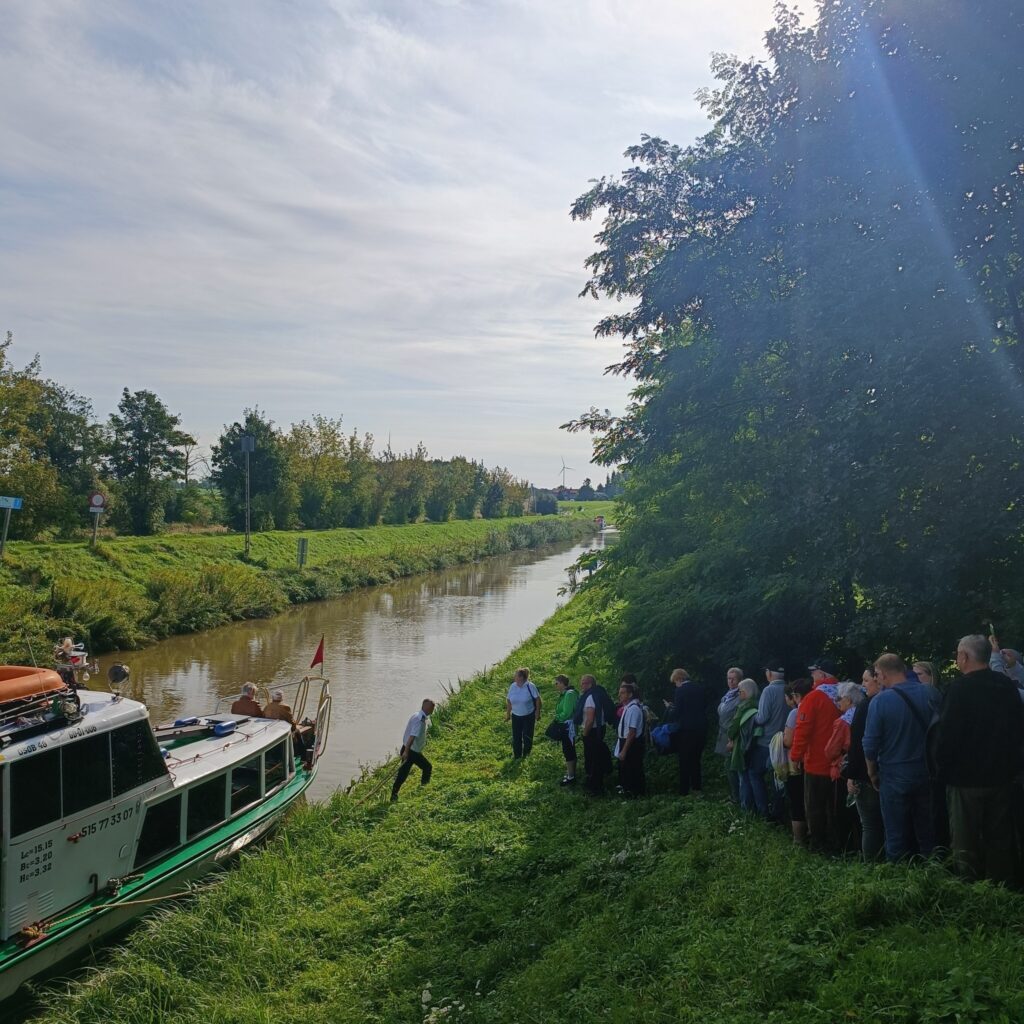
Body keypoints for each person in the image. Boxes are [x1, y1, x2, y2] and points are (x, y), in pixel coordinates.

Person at [934, 634, 1024, 884]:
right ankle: (1002, 888)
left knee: (965, 842)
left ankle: (969, 891)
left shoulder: (958, 689)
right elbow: (1017, 729)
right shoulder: (1006, 686)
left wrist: (943, 771)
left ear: (963, 657)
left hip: (965, 780)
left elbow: (946, 736)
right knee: (1000, 839)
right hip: (1002, 777)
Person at [862, 652, 939, 862]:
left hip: (893, 774)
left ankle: (897, 882)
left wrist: (872, 773)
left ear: (883, 674)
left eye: (876, 674)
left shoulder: (880, 702)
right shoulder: (929, 693)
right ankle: (933, 875)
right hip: (926, 772)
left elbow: (870, 744)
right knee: (927, 833)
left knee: (895, 836)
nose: (876, 679)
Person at [790, 658, 841, 852]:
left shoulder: (813, 698)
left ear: (822, 674)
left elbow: (802, 731)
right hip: (841, 765)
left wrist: (795, 756)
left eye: (814, 673)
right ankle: (840, 845)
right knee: (836, 809)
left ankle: (819, 847)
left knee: (815, 808)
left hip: (817, 764)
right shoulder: (847, 693)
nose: (812, 677)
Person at [845, 668, 885, 861]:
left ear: (879, 680)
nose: (863, 685)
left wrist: (852, 775)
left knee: (870, 824)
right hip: (890, 773)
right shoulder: (892, 701)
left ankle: (871, 867)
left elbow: (859, 744)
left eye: (866, 680)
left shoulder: (866, 706)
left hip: (867, 775)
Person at [750, 663, 788, 818]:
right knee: (778, 779)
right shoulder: (789, 689)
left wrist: (751, 715)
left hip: (767, 742)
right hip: (785, 742)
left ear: (769, 674)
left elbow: (762, 717)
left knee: (754, 773)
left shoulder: (769, 690)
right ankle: (779, 813)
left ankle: (764, 812)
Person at [664, 668, 707, 796]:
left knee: (684, 760)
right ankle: (697, 787)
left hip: (686, 730)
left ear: (679, 679)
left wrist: (669, 708)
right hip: (701, 728)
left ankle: (684, 790)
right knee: (696, 759)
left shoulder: (680, 690)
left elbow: (678, 713)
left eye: (675, 682)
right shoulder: (699, 688)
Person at [783, 678, 813, 846]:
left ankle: (798, 839)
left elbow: (789, 741)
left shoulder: (795, 713)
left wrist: (779, 739)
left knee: (797, 800)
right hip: (810, 762)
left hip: (797, 763)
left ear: (795, 696)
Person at [391, 699, 435, 802]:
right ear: (427, 707)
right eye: (432, 708)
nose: (433, 710)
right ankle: (424, 788)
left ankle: (394, 794)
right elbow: (412, 737)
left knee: (403, 774)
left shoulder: (417, 715)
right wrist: (406, 752)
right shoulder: (419, 719)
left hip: (409, 750)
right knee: (427, 767)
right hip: (411, 752)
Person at [727, 678, 761, 811]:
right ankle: (758, 809)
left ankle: (746, 809)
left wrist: (730, 737)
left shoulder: (743, 706)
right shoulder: (758, 704)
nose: (739, 694)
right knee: (753, 778)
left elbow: (733, 728)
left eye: (740, 691)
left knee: (744, 779)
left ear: (746, 692)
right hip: (754, 745)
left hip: (741, 745)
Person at [576, 674, 611, 795]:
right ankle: (596, 782)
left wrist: (585, 734)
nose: (582, 685)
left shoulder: (590, 697)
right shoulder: (596, 694)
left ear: (591, 684)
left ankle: (595, 787)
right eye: (581, 683)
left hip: (593, 730)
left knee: (593, 759)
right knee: (596, 757)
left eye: (584, 683)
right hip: (599, 728)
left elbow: (590, 719)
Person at [715, 667, 743, 803]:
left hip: (733, 735)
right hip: (724, 734)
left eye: (734, 679)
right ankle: (734, 795)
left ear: (740, 680)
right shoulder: (727, 695)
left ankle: (737, 797)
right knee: (728, 766)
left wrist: (732, 736)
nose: (731, 681)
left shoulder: (740, 696)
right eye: (728, 678)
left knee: (733, 767)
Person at [614, 682, 646, 796]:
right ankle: (626, 788)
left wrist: (624, 749)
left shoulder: (633, 709)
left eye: (623, 693)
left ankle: (635, 792)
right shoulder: (627, 708)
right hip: (624, 740)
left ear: (630, 694)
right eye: (620, 693)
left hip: (631, 742)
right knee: (625, 768)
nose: (620, 695)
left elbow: (632, 732)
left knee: (633, 767)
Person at [505, 667, 542, 759]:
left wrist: (537, 712)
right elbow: (509, 700)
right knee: (516, 736)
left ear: (521, 677)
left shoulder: (530, 686)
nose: (514, 677)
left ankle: (526, 754)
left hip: (528, 716)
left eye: (516, 676)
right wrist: (508, 714)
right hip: (516, 715)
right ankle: (517, 755)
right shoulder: (513, 686)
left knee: (527, 735)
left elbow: (538, 699)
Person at [553, 674, 579, 785]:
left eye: (556, 683)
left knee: (568, 750)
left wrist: (556, 718)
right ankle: (571, 773)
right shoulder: (565, 694)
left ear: (562, 683)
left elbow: (567, 713)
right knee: (568, 749)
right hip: (566, 726)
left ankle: (571, 776)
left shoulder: (569, 694)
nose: (555, 686)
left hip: (568, 727)